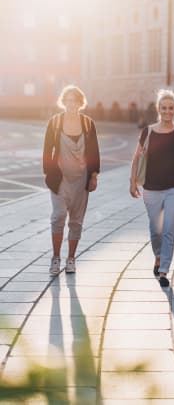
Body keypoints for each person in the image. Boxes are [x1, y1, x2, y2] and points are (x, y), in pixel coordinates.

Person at [130, 89, 174, 287]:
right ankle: (158, 256)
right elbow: (137, 157)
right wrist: (132, 181)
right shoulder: (148, 131)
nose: (167, 111)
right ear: (158, 109)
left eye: (171, 108)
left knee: (168, 229)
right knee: (155, 229)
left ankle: (164, 270)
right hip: (151, 188)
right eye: (164, 108)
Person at [43, 85, 100, 275]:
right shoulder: (55, 122)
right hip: (59, 180)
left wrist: (93, 175)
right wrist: (49, 174)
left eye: (75, 100)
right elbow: (47, 151)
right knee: (58, 216)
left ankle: (71, 259)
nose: (71, 104)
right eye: (67, 100)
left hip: (81, 180)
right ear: (63, 102)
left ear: (80, 103)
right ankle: (56, 258)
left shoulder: (87, 123)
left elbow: (93, 151)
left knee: (76, 221)